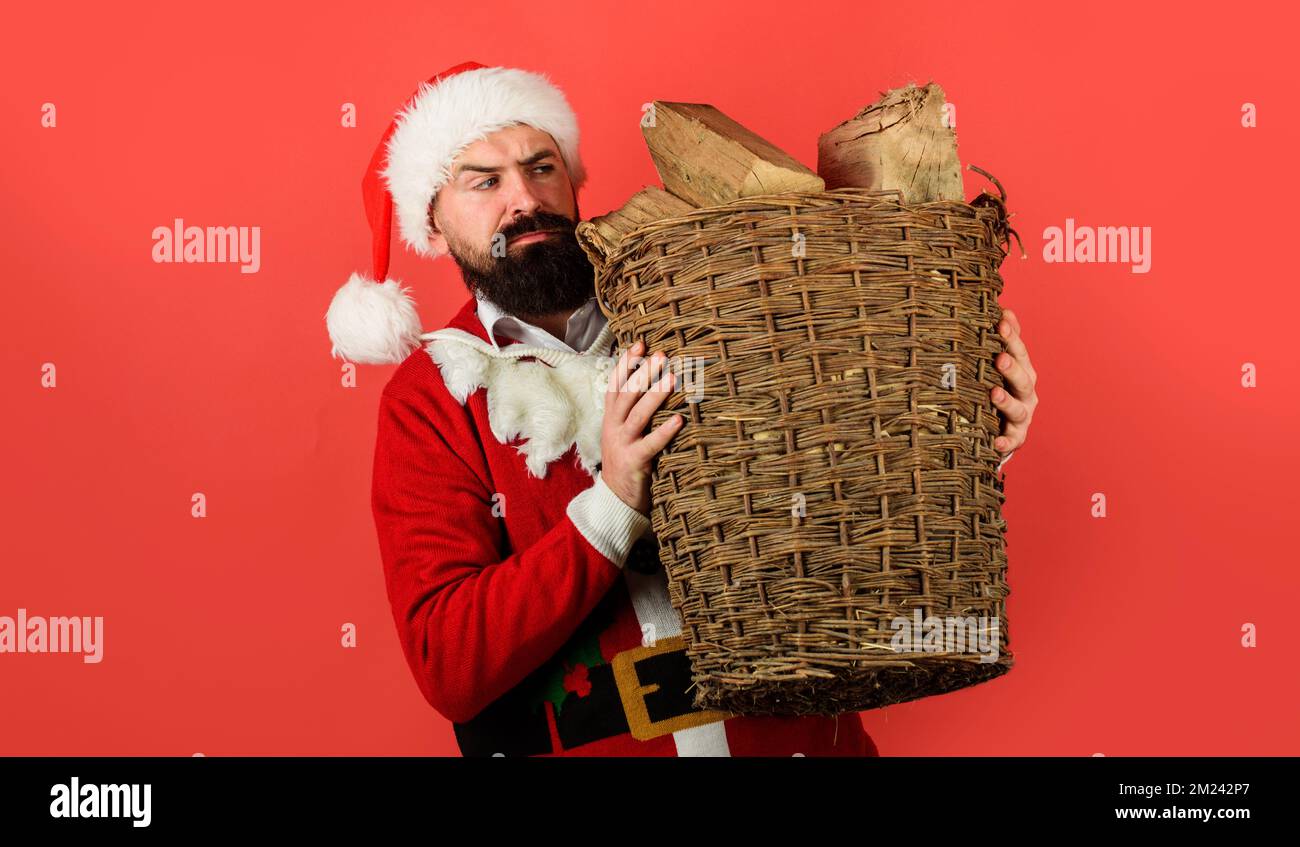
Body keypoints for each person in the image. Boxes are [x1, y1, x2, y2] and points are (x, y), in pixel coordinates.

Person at [325, 62, 1038, 756]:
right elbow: (451, 663)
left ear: (573, 181)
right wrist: (615, 500)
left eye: (542, 167)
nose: (525, 199)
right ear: (436, 223)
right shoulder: (430, 400)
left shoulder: (707, 304)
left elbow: (842, 465)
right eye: (483, 181)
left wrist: (968, 431)